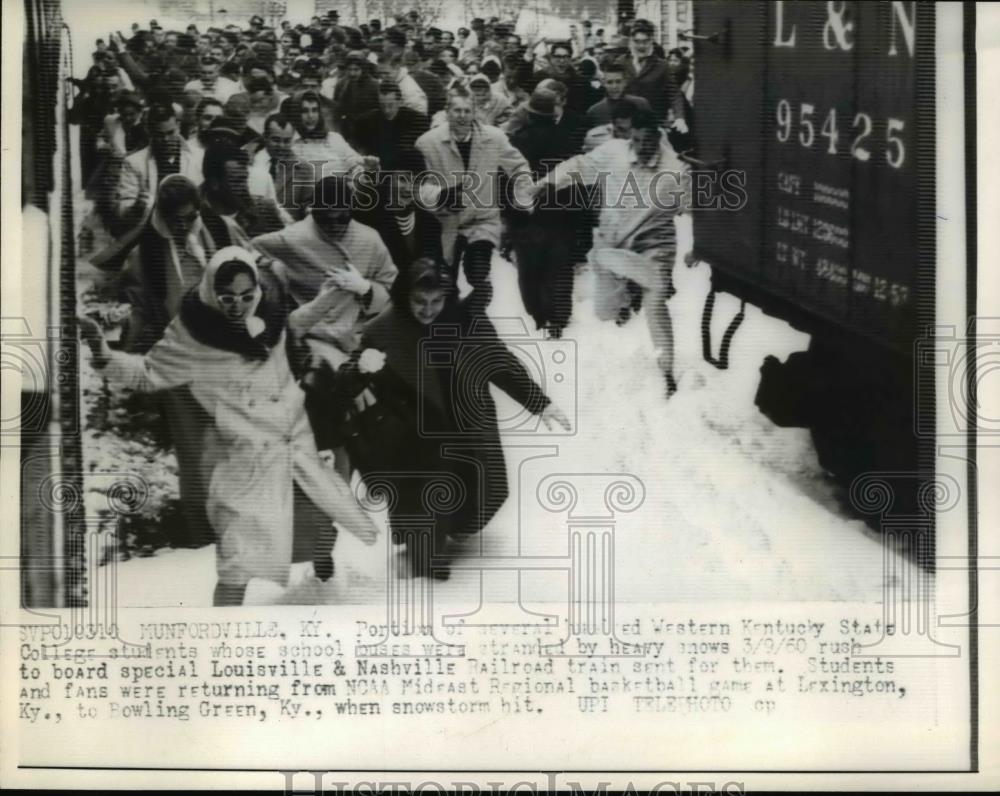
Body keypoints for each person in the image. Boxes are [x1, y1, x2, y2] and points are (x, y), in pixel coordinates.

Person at [79, 246, 381, 605]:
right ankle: (224, 631)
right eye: (227, 297)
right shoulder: (192, 337)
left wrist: (329, 297)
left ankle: (326, 590)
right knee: (238, 557)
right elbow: (147, 374)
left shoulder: (268, 311)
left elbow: (290, 326)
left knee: (319, 526)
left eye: (246, 296)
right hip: (245, 459)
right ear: (211, 292)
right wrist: (103, 353)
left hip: (296, 446)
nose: (237, 305)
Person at [327, 259, 569, 579]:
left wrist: (540, 403)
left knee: (485, 493)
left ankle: (455, 528)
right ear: (404, 296)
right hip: (411, 435)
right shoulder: (381, 330)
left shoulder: (467, 320)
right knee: (422, 510)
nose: (428, 310)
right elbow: (344, 384)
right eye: (419, 301)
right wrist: (360, 369)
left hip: (466, 423)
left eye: (436, 301)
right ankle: (424, 553)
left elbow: (500, 363)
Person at [532, 108, 691, 395]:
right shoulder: (614, 153)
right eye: (638, 140)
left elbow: (698, 206)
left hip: (654, 244)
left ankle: (667, 372)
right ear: (630, 137)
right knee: (604, 311)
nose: (643, 148)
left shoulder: (674, 170)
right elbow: (579, 166)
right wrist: (549, 181)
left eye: (649, 142)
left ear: (659, 138)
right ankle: (624, 283)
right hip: (614, 242)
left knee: (655, 301)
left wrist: (702, 248)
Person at [251, 176, 398, 473]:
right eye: (325, 219)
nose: (334, 226)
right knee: (337, 399)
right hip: (312, 336)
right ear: (313, 213)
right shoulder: (294, 237)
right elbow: (250, 252)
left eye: (341, 218)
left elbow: (391, 287)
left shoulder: (369, 239)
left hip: (357, 335)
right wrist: (274, 275)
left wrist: (366, 289)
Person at [415, 83, 533, 316]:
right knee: (445, 281)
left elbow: (518, 166)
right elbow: (418, 186)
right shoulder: (427, 143)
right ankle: (449, 321)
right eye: (456, 110)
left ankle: (475, 315)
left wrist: (524, 196)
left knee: (477, 272)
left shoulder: (494, 138)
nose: (462, 116)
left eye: (467, 110)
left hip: (482, 221)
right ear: (447, 111)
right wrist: (440, 195)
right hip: (446, 223)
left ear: (474, 111)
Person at [509, 87, 584, 338]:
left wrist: (510, 217)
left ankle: (539, 316)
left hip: (527, 216)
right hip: (560, 216)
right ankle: (558, 318)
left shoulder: (517, 141)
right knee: (559, 268)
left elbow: (506, 181)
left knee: (530, 270)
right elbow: (578, 180)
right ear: (553, 114)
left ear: (529, 114)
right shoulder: (568, 140)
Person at [199, 142, 291, 249]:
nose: (244, 186)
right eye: (236, 181)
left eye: (245, 179)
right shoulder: (193, 219)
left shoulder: (265, 212)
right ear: (214, 183)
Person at [350, 80, 430, 171]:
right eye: (383, 105)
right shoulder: (364, 122)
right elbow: (357, 150)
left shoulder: (418, 121)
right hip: (377, 172)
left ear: (400, 102)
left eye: (390, 105)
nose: (386, 110)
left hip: (406, 171)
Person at [584, 58, 652, 128]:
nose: (614, 86)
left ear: (625, 82)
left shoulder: (641, 104)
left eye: (618, 81)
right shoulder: (595, 112)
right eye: (610, 82)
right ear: (603, 83)